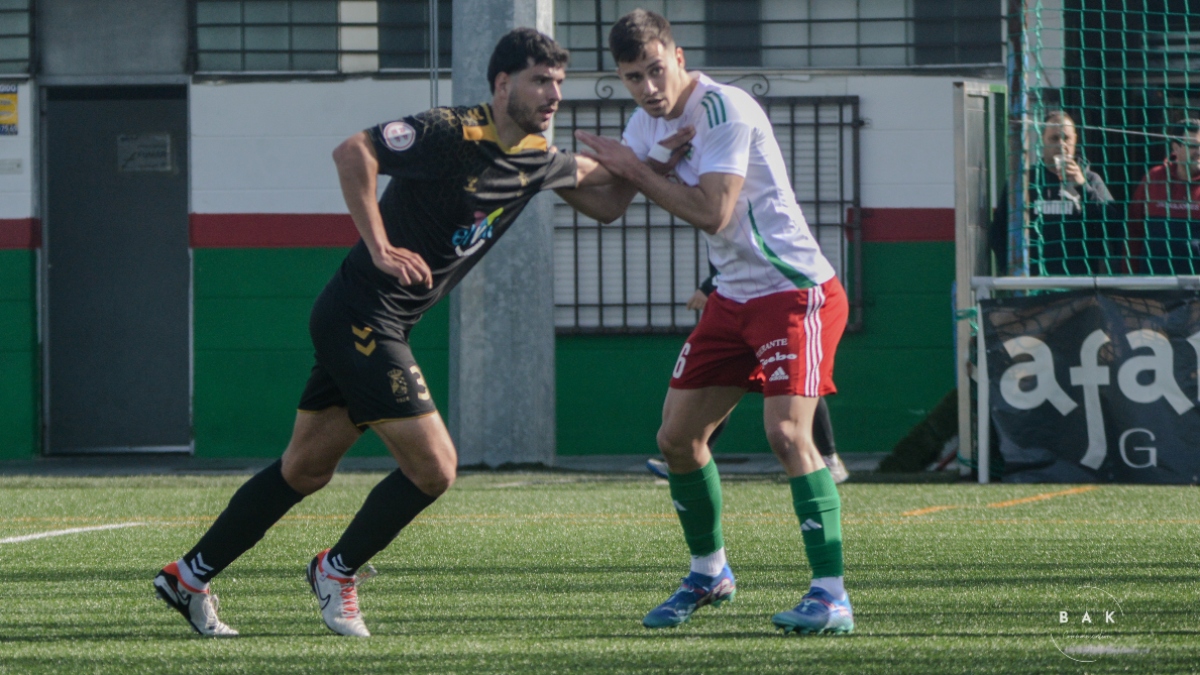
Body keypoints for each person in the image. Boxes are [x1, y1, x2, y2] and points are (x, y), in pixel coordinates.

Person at [152, 28, 680, 638]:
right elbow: (353, 152)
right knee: (435, 468)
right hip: (361, 315)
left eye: (559, 82)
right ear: (503, 83)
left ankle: (188, 576)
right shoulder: (450, 132)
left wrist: (657, 163)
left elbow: (610, 201)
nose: (553, 94)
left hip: (379, 322)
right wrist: (378, 246)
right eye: (540, 81)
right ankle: (337, 569)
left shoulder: (539, 158)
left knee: (304, 470)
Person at [574, 10, 854, 635]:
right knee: (676, 440)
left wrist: (637, 167)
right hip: (732, 299)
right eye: (631, 78)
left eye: (654, 69)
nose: (648, 88)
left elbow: (713, 212)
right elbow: (609, 205)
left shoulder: (724, 108)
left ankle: (831, 594)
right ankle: (709, 572)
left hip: (795, 291)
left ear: (676, 54)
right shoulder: (646, 122)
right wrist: (544, 172)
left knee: (786, 435)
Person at [646, 267, 849, 484]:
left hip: (784, 305)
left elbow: (756, 256)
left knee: (790, 414)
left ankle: (828, 458)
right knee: (701, 406)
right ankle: (691, 456)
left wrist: (707, 287)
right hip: (735, 305)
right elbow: (731, 258)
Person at [990, 110, 1115, 275]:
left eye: (1067, 138)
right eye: (1054, 138)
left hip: (1080, 283)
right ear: (1042, 140)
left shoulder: (1091, 179)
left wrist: (1082, 187)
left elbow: (1113, 225)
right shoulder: (1025, 181)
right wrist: (1010, 270)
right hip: (1034, 282)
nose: (1061, 144)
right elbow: (998, 231)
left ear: (1075, 140)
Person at [1132, 118, 1200, 274]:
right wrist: (1131, 279)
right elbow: (1133, 230)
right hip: (1153, 286)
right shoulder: (1154, 178)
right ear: (1175, 147)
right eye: (1194, 146)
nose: (1199, 152)